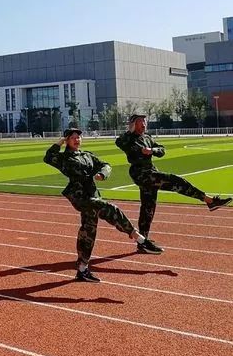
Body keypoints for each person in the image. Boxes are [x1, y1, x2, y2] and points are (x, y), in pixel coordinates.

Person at [116, 114, 232, 254]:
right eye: (140, 122)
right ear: (134, 124)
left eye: (144, 122)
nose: (144, 124)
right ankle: (209, 200)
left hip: (150, 171)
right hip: (140, 174)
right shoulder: (128, 138)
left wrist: (152, 150)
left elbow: (162, 150)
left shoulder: (147, 138)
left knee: (148, 206)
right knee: (176, 181)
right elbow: (119, 142)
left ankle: (143, 241)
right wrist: (132, 137)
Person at [45, 128, 148, 283]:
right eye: (72, 138)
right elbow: (48, 157)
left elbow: (106, 164)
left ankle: (82, 270)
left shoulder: (87, 155)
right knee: (110, 209)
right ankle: (139, 238)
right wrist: (59, 142)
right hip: (79, 196)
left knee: (88, 232)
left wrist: (102, 174)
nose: (76, 140)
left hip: (92, 194)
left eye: (78, 137)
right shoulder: (63, 158)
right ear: (67, 140)